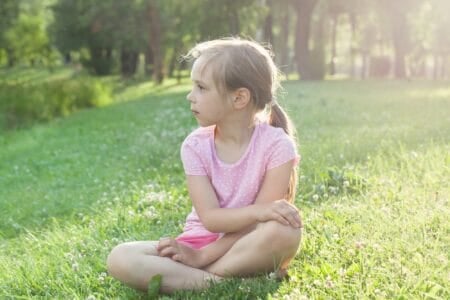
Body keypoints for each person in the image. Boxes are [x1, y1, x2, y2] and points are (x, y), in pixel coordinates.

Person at [107, 38, 303, 294]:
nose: (191, 96)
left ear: (239, 98)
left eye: (201, 87)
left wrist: (204, 258)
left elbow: (262, 221)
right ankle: (224, 282)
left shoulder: (278, 146)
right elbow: (210, 218)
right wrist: (199, 254)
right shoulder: (195, 146)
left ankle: (197, 279)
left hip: (248, 243)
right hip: (199, 244)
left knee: (285, 231)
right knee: (120, 257)